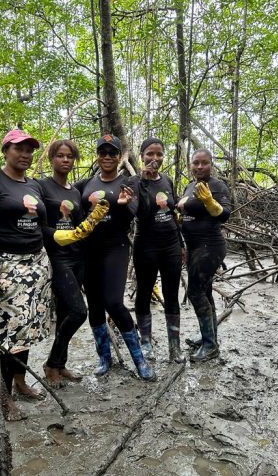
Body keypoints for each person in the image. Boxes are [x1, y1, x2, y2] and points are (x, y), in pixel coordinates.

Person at [0, 129, 108, 419]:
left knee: (27, 328)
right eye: (18, 149)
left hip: (37, 265)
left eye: (29, 150)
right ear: (5, 150)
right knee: (9, 332)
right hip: (6, 265)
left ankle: (20, 382)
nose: (24, 154)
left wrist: (75, 233)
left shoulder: (32, 186)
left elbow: (44, 230)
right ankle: (3, 396)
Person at [75, 134, 156, 381]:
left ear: (120, 157)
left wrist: (122, 204)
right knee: (96, 306)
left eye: (112, 153)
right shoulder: (84, 184)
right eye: (103, 152)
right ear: (97, 156)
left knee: (114, 302)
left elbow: (134, 212)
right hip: (89, 251)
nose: (107, 157)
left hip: (116, 248)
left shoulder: (127, 182)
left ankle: (139, 360)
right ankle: (104, 358)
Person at [128, 137, 185, 363]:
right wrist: (142, 181)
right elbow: (135, 211)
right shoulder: (133, 182)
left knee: (172, 295)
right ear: (141, 156)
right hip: (146, 245)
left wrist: (181, 244)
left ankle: (175, 347)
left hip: (170, 244)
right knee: (143, 293)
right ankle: (146, 343)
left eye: (159, 154)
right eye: (150, 154)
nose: (154, 159)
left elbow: (173, 214)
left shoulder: (168, 181)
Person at [38, 139, 90, 387]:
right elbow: (39, 224)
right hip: (57, 257)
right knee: (80, 312)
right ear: (51, 159)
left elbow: (80, 225)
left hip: (77, 257)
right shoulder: (41, 187)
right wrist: (54, 235)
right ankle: (50, 363)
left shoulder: (74, 192)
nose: (65, 160)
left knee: (65, 314)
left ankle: (60, 365)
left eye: (70, 156)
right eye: (60, 156)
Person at [177, 148, 231, 362]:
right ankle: (209, 337)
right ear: (191, 164)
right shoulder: (190, 186)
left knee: (195, 293)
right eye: (196, 163)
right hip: (193, 247)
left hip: (210, 246)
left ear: (211, 164)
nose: (200, 167)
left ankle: (210, 346)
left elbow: (225, 214)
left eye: (204, 163)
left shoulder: (217, 186)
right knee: (205, 292)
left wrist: (210, 202)